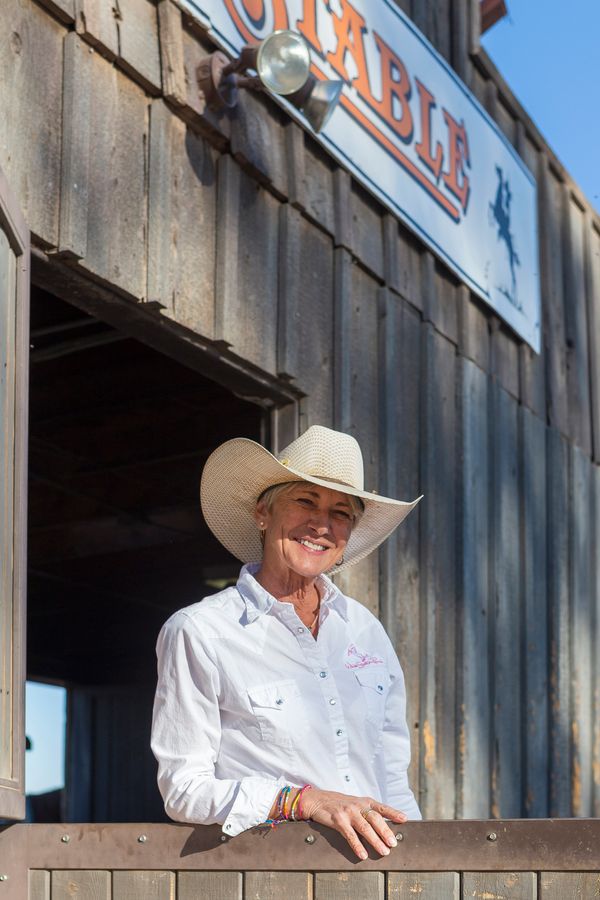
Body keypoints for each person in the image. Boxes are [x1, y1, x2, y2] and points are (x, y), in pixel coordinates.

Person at [151, 425, 422, 860]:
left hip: (377, 878)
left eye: (341, 513)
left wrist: (420, 866)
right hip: (270, 874)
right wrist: (300, 800)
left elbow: (392, 780)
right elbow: (183, 791)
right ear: (262, 512)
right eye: (305, 501)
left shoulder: (366, 631)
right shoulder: (201, 631)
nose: (321, 524)